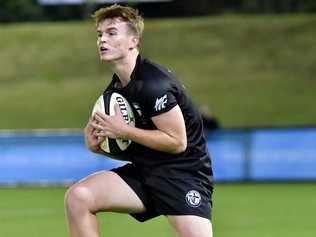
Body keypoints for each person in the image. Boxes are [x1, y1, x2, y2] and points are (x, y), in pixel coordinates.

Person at [64, 4, 214, 237]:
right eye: (100, 34)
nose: (102, 40)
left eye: (112, 33)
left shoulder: (154, 84)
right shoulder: (114, 91)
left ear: (134, 41)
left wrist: (123, 130)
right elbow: (136, 148)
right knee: (78, 197)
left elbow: (177, 142)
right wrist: (101, 147)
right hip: (145, 173)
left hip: (183, 176)